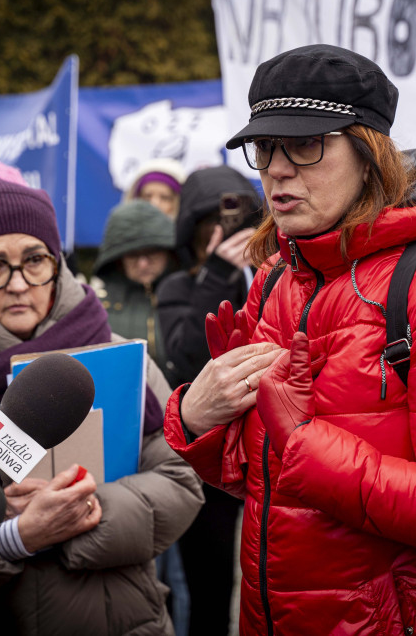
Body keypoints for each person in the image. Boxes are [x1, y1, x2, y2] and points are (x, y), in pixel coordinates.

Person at [163, 44, 416, 635]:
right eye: (266, 148)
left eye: (305, 145)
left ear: (369, 155)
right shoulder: (278, 279)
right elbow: (266, 487)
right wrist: (200, 420)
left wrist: (305, 443)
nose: (278, 169)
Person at [0, 177, 204, 635]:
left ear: (57, 263)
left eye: (35, 260)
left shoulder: (120, 357)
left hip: (121, 620)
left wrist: (86, 513)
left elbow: (179, 481)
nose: (18, 284)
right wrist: (12, 540)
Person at [156, 164, 261, 636]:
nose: (229, 232)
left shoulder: (281, 276)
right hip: (211, 458)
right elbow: (186, 357)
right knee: (209, 589)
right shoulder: (179, 286)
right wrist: (218, 271)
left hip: (271, 450)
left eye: (240, 221)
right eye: (215, 223)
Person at [92, 198, 188, 633]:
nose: (145, 261)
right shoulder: (99, 306)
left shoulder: (183, 294)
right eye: (133, 253)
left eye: (155, 250)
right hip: (123, 452)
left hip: (182, 448)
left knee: (183, 573)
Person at [93, 199, 178, 376]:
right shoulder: (97, 310)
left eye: (151, 252)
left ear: (168, 251)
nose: (143, 264)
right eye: (132, 255)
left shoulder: (189, 298)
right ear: (117, 259)